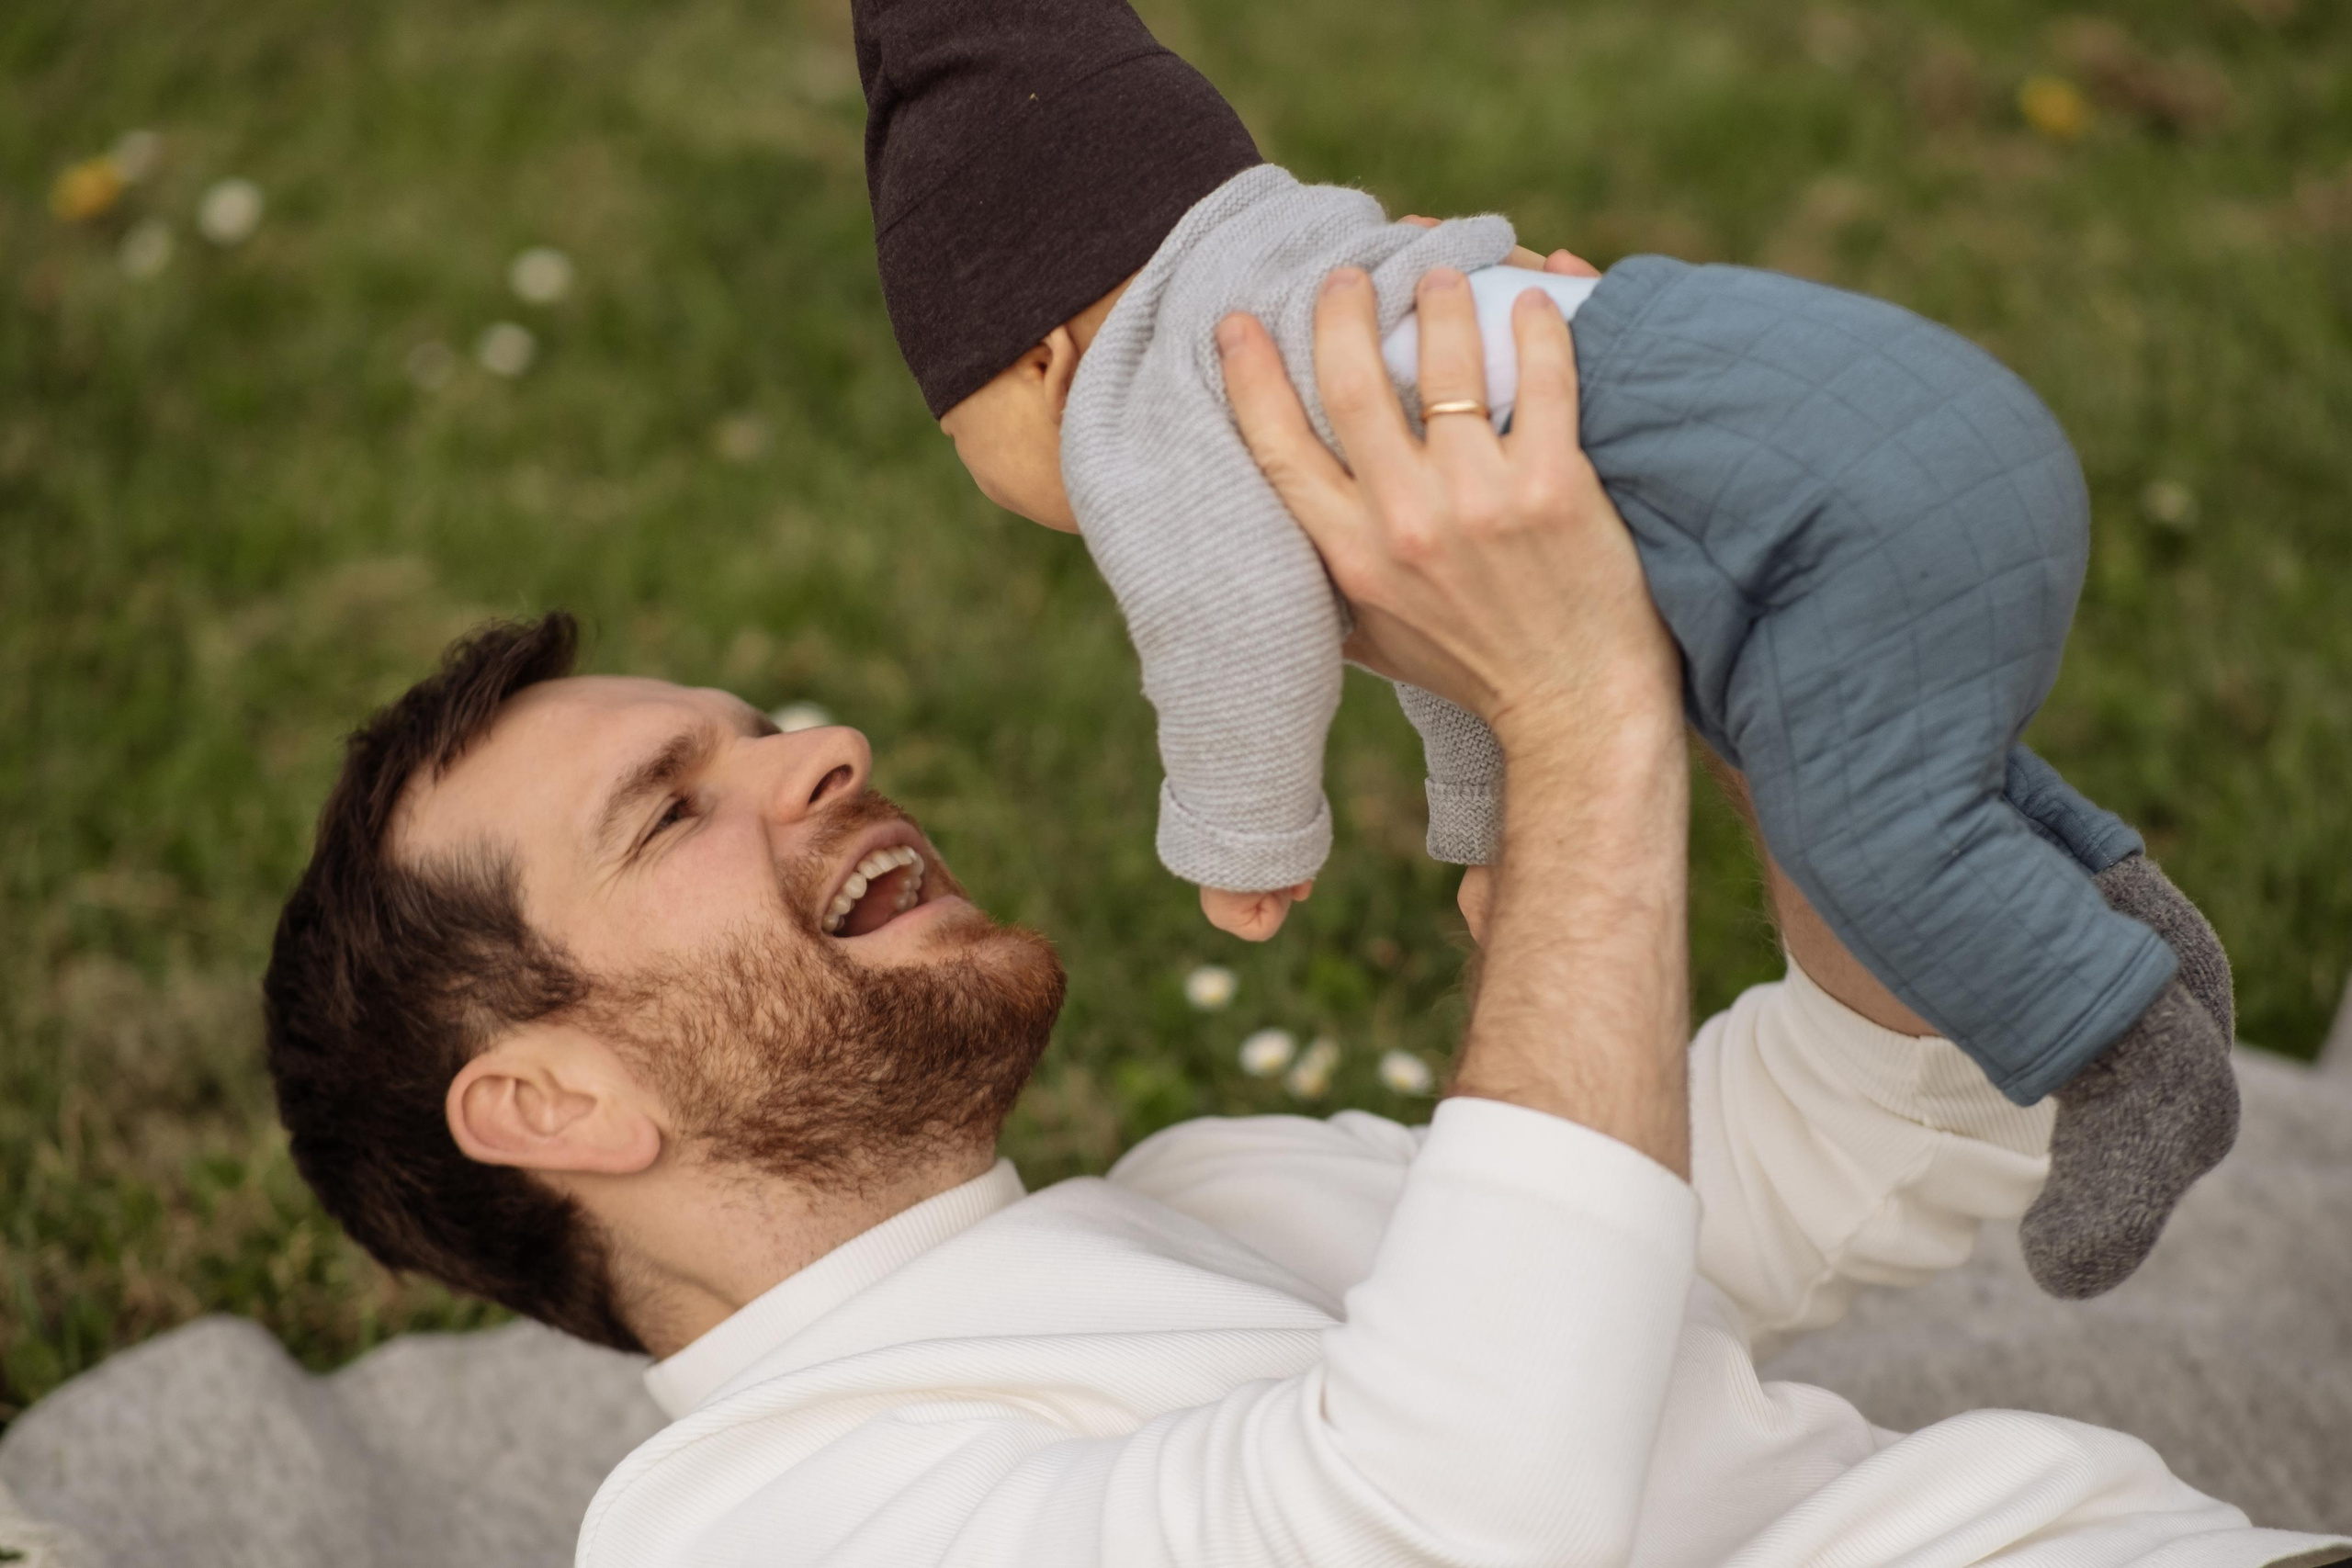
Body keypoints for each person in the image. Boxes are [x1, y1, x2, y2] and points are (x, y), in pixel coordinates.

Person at [258, 257, 2346, 1568]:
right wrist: (1571, 715)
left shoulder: (1219, 1184)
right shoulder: (739, 1517)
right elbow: (1434, 1518)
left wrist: (1764, 682)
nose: (820, 743)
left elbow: (1842, 1159)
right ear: (545, 1099)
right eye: (670, 806)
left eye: (751, 723)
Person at [860, 0, 2235, 1297]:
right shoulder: (1344, 292)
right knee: (1896, 760)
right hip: (1906, 414)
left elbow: (1228, 622)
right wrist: (1499, 825)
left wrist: (1243, 836)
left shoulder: (1153, 401)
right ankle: (2137, 927)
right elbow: (1451, 636)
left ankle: (2119, 1051)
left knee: (1863, 830)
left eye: (956, 434)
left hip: (1833, 513)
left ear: (1037, 358)